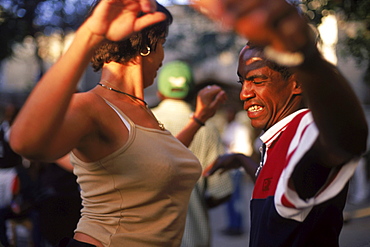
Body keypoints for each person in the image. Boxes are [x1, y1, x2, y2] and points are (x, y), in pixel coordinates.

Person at [9, 1, 226, 246]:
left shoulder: (139, 110)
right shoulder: (92, 107)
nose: (163, 57)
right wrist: (89, 35)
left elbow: (155, 163)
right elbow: (24, 143)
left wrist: (198, 119)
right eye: (162, 43)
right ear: (147, 45)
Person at [194, 0, 368, 246]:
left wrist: (306, 56)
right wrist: (239, 161)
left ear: (297, 82)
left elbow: (348, 139)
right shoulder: (278, 138)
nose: (244, 93)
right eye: (242, 82)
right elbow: (278, 191)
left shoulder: (306, 130)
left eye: (257, 80)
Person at [152, 60, 233, 247]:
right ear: (192, 93)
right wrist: (194, 204)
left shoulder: (143, 123)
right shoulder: (207, 129)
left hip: (150, 238)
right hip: (194, 237)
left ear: (160, 92)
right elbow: (221, 191)